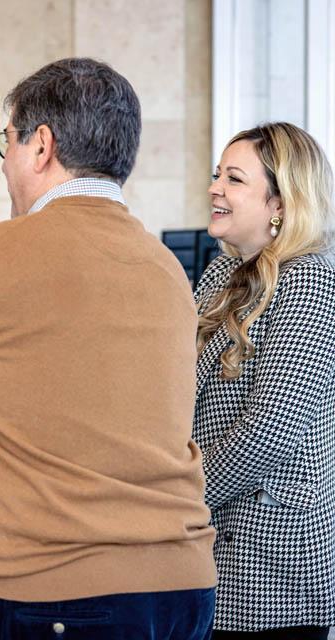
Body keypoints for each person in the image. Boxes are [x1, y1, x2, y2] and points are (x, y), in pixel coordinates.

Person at [0, 57, 217, 640]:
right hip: (182, 585)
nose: (5, 162)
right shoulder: (166, 268)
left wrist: (4, 427)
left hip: (57, 589)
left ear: (40, 145)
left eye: (5, 142)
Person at [194, 122, 335, 639]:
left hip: (271, 569)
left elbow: (269, 433)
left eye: (234, 179)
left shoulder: (309, 280)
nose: (214, 188)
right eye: (217, 175)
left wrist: (174, 501)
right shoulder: (222, 276)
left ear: (280, 203)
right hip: (210, 553)